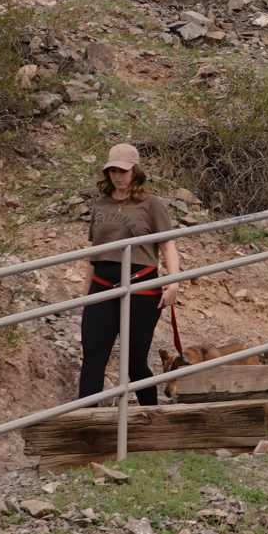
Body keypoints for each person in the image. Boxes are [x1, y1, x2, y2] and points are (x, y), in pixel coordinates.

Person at [78, 143, 179, 414]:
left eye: (122, 170)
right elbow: (94, 253)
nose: (116, 175)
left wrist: (174, 282)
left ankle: (154, 421)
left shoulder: (151, 204)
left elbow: (167, 244)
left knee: (135, 362)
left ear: (135, 171)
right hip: (102, 286)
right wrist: (85, 294)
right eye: (112, 170)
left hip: (141, 286)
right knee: (93, 357)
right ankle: (84, 424)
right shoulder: (100, 204)